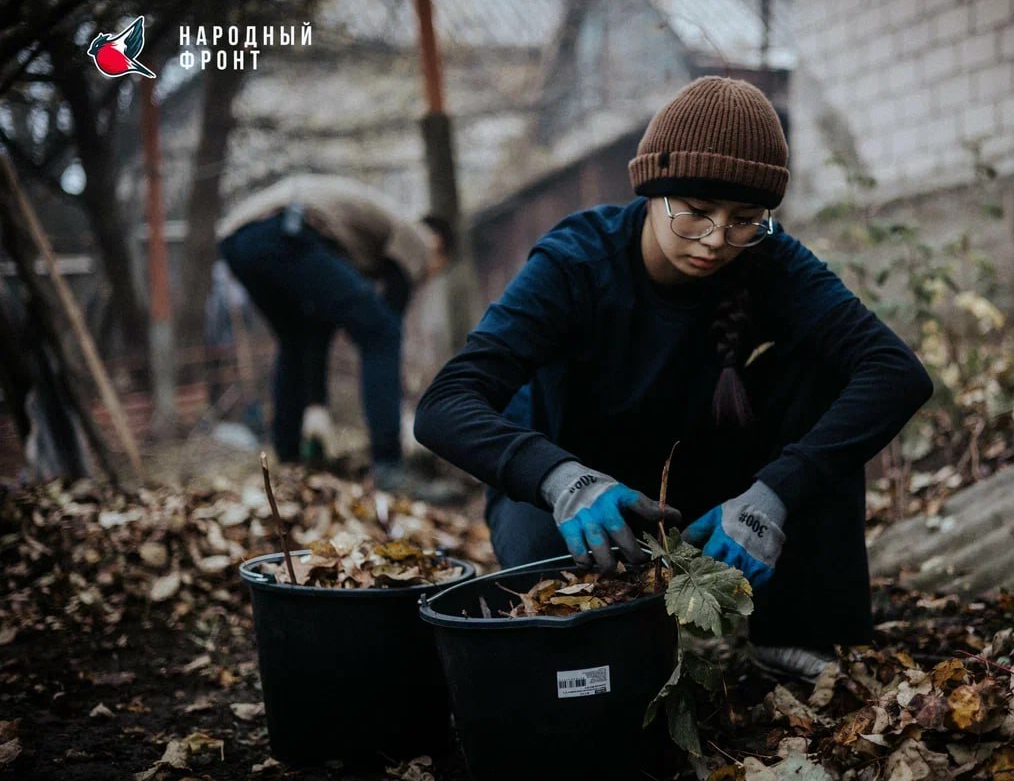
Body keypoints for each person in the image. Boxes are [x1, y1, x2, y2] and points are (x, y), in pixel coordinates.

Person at [414, 77, 932, 676]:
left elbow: (896, 372)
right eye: (695, 213)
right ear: (652, 192)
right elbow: (445, 403)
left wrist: (777, 494)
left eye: (744, 219)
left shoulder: (770, 257)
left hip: (699, 495)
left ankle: (797, 635)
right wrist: (560, 480)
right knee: (561, 619)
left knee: (826, 372)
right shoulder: (575, 263)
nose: (717, 240)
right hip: (575, 496)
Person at [217, 175, 449, 496]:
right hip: (285, 229)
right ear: (439, 250)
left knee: (296, 337)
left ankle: (290, 459)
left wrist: (317, 406)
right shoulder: (419, 237)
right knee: (381, 332)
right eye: (437, 269)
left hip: (238, 239)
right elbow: (385, 326)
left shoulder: (352, 244)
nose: (427, 275)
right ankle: (389, 468)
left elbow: (320, 326)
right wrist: (400, 415)